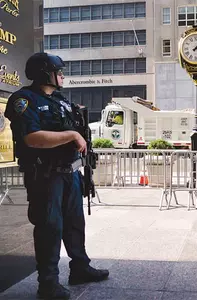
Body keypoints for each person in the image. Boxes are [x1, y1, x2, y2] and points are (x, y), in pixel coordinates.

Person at [4, 52, 109, 299]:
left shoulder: (60, 100)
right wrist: (72, 136)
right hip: (45, 176)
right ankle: (48, 283)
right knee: (50, 227)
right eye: (58, 71)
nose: (62, 75)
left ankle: (80, 268)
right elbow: (32, 138)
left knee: (75, 224)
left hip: (70, 174)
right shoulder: (24, 100)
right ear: (44, 73)